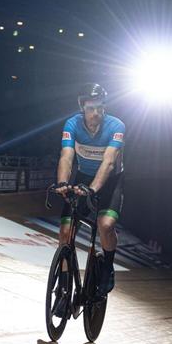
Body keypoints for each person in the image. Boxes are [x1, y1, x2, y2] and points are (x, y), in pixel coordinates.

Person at [53, 83, 125, 307]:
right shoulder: (72, 124)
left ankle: (107, 267)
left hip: (110, 181)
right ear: (82, 107)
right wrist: (63, 183)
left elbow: (109, 161)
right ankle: (64, 289)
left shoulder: (116, 125)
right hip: (83, 177)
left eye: (100, 108)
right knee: (65, 232)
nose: (96, 113)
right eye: (91, 108)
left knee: (105, 225)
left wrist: (93, 189)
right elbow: (66, 157)